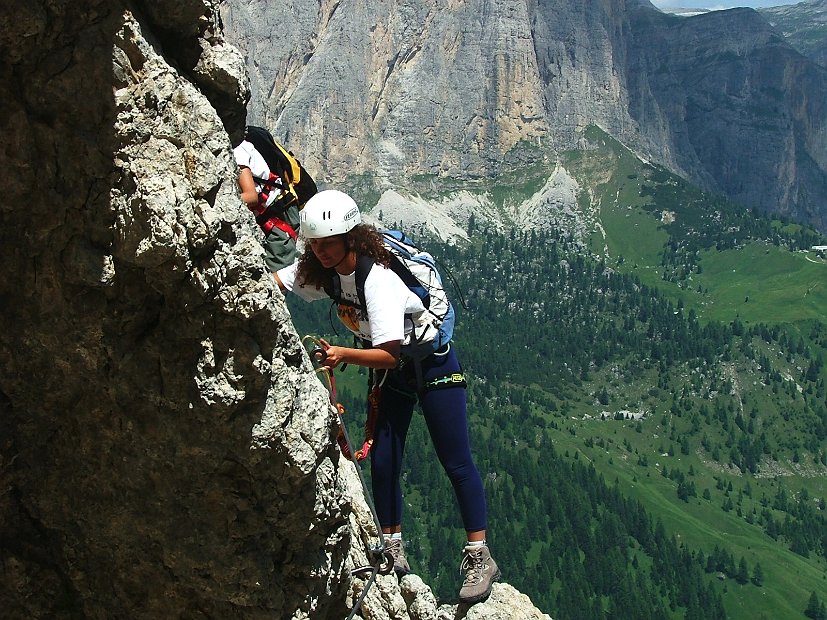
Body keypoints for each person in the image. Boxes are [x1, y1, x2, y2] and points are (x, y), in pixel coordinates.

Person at [274, 189, 500, 604]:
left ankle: (478, 554)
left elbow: (388, 351)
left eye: (329, 242)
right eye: (315, 244)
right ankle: (392, 548)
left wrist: (342, 353)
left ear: (350, 238)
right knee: (384, 460)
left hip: (432, 365)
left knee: (455, 460)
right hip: (395, 373)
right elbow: (278, 282)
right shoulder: (322, 271)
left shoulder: (378, 279)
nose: (322, 251)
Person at [233, 135, 301, 272]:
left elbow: (251, 196)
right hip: (272, 214)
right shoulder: (240, 147)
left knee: (276, 280)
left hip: (277, 218)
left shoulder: (238, 150)